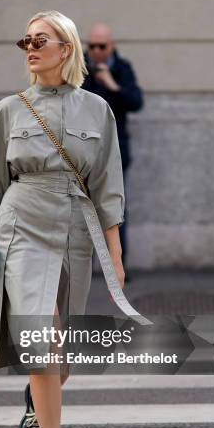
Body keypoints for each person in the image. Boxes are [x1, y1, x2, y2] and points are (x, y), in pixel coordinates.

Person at [0, 10, 126, 428]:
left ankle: (37, 408)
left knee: (62, 345)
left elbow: (108, 187)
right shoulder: (10, 110)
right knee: (44, 333)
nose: (30, 48)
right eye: (25, 41)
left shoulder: (98, 110)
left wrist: (115, 256)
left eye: (41, 39)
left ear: (67, 48)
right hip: (21, 225)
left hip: (76, 229)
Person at [81, 23, 144, 277]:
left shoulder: (122, 68)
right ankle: (82, 265)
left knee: (115, 210)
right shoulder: (79, 69)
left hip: (116, 151)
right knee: (82, 210)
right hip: (84, 153)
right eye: (92, 46)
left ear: (112, 46)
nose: (96, 51)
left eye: (102, 46)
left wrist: (111, 83)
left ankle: (118, 266)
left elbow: (136, 101)